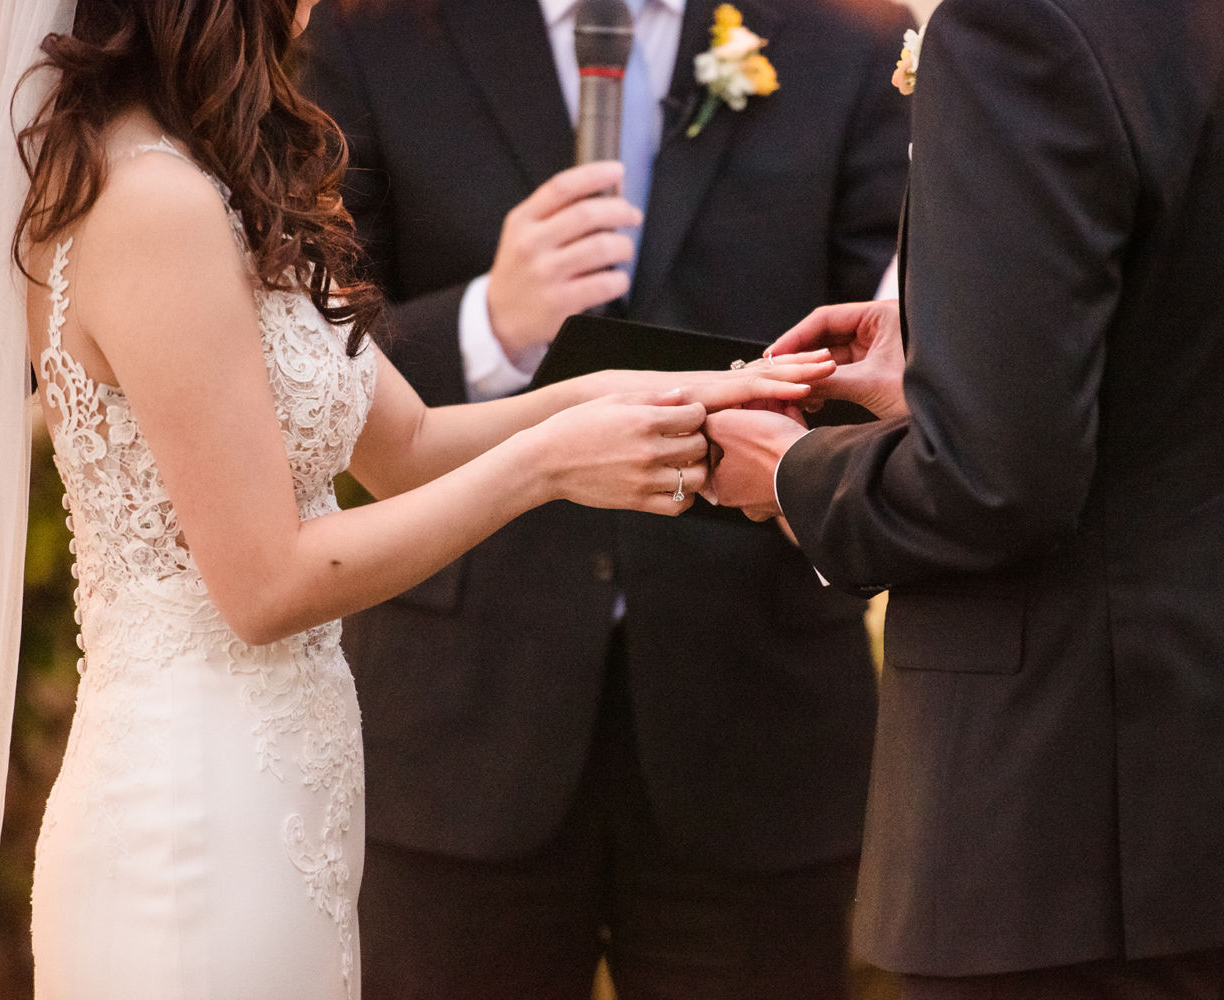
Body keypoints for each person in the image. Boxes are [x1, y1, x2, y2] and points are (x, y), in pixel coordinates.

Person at [0, 1, 831, 996]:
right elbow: (265, 584)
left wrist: (678, 393)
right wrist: (550, 466)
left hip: (287, 802)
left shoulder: (223, 179)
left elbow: (411, 446)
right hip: (196, 816)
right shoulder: (151, 201)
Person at [703, 0, 1224, 997]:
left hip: (1049, 822)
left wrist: (789, 471)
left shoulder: (1015, 26)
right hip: (1210, 814)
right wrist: (963, 347)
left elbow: (993, 483)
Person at [301, 1, 911, 997]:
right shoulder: (375, 31)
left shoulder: (850, 39)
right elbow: (302, 358)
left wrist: (791, 452)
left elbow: (896, 368)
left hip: (758, 725)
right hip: (456, 726)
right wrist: (488, 324)